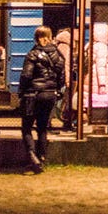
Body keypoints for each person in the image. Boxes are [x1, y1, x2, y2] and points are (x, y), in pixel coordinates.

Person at [19, 25, 65, 173]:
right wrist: (56, 89)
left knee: (26, 127)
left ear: (37, 37)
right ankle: (42, 157)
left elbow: (26, 75)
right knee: (42, 128)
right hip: (50, 95)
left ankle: (33, 157)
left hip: (33, 95)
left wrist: (22, 91)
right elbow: (61, 77)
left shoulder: (32, 54)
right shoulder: (58, 55)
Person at [55, 28, 77, 131]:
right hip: (63, 78)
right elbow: (66, 65)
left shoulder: (61, 45)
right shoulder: (66, 47)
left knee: (62, 101)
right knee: (66, 101)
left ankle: (66, 122)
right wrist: (68, 80)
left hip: (59, 77)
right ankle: (66, 123)